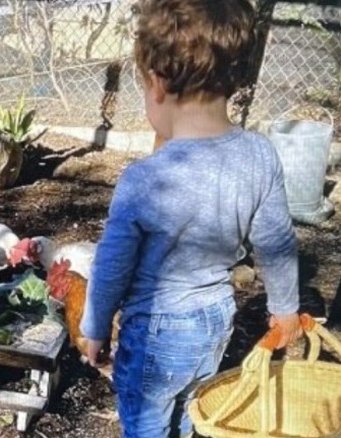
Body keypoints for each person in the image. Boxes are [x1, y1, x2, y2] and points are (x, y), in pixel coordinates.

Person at [80, 0, 303, 437]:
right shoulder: (259, 154)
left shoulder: (145, 178)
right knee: (189, 415)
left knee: (146, 425)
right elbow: (277, 242)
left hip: (155, 333)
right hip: (215, 320)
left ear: (157, 84)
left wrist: (94, 326)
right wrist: (285, 309)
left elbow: (112, 263)